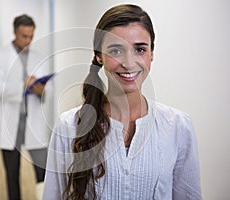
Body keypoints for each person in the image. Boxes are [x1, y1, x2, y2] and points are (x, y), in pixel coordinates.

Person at [43, 4, 202, 200]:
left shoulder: (178, 126)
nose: (128, 63)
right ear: (99, 56)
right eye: (116, 51)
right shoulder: (68, 127)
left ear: (152, 53)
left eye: (140, 50)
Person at [0, 14, 50, 200]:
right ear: (14, 32)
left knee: (43, 171)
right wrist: (23, 85)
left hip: (33, 123)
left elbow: (48, 89)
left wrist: (40, 90)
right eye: (24, 36)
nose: (28, 40)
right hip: (10, 123)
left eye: (31, 36)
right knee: (12, 174)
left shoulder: (39, 57)